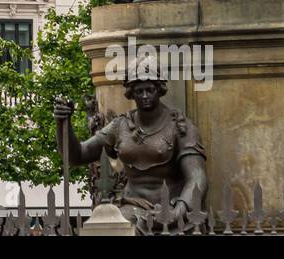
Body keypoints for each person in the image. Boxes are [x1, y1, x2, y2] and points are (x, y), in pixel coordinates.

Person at [54, 68, 207, 232]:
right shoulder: (120, 126)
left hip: (171, 206)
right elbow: (77, 156)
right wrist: (63, 123)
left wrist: (180, 209)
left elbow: (197, 177)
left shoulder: (180, 126)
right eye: (139, 91)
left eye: (150, 90)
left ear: (160, 90)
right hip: (132, 206)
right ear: (131, 93)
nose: (145, 96)